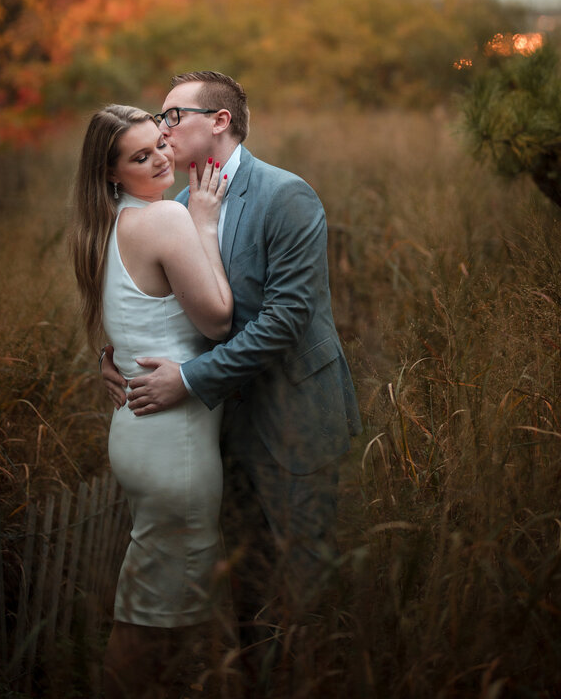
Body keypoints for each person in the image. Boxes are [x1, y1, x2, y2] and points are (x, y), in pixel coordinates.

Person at [101, 72, 361, 684]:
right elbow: (160, 299)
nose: (162, 131)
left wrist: (189, 380)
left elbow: (285, 322)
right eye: (157, 121)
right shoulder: (170, 206)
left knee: (306, 593)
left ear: (219, 120)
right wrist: (114, 354)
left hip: (293, 422)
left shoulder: (284, 195)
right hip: (218, 435)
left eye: (172, 116)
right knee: (248, 597)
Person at [70, 104, 233, 699]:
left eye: (159, 144)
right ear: (113, 173)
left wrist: (105, 360)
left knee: (161, 609)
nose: (163, 158)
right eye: (141, 157)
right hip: (174, 444)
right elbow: (216, 321)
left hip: (136, 433)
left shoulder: (105, 222)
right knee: (147, 621)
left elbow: (125, 324)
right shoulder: (166, 217)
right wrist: (206, 223)